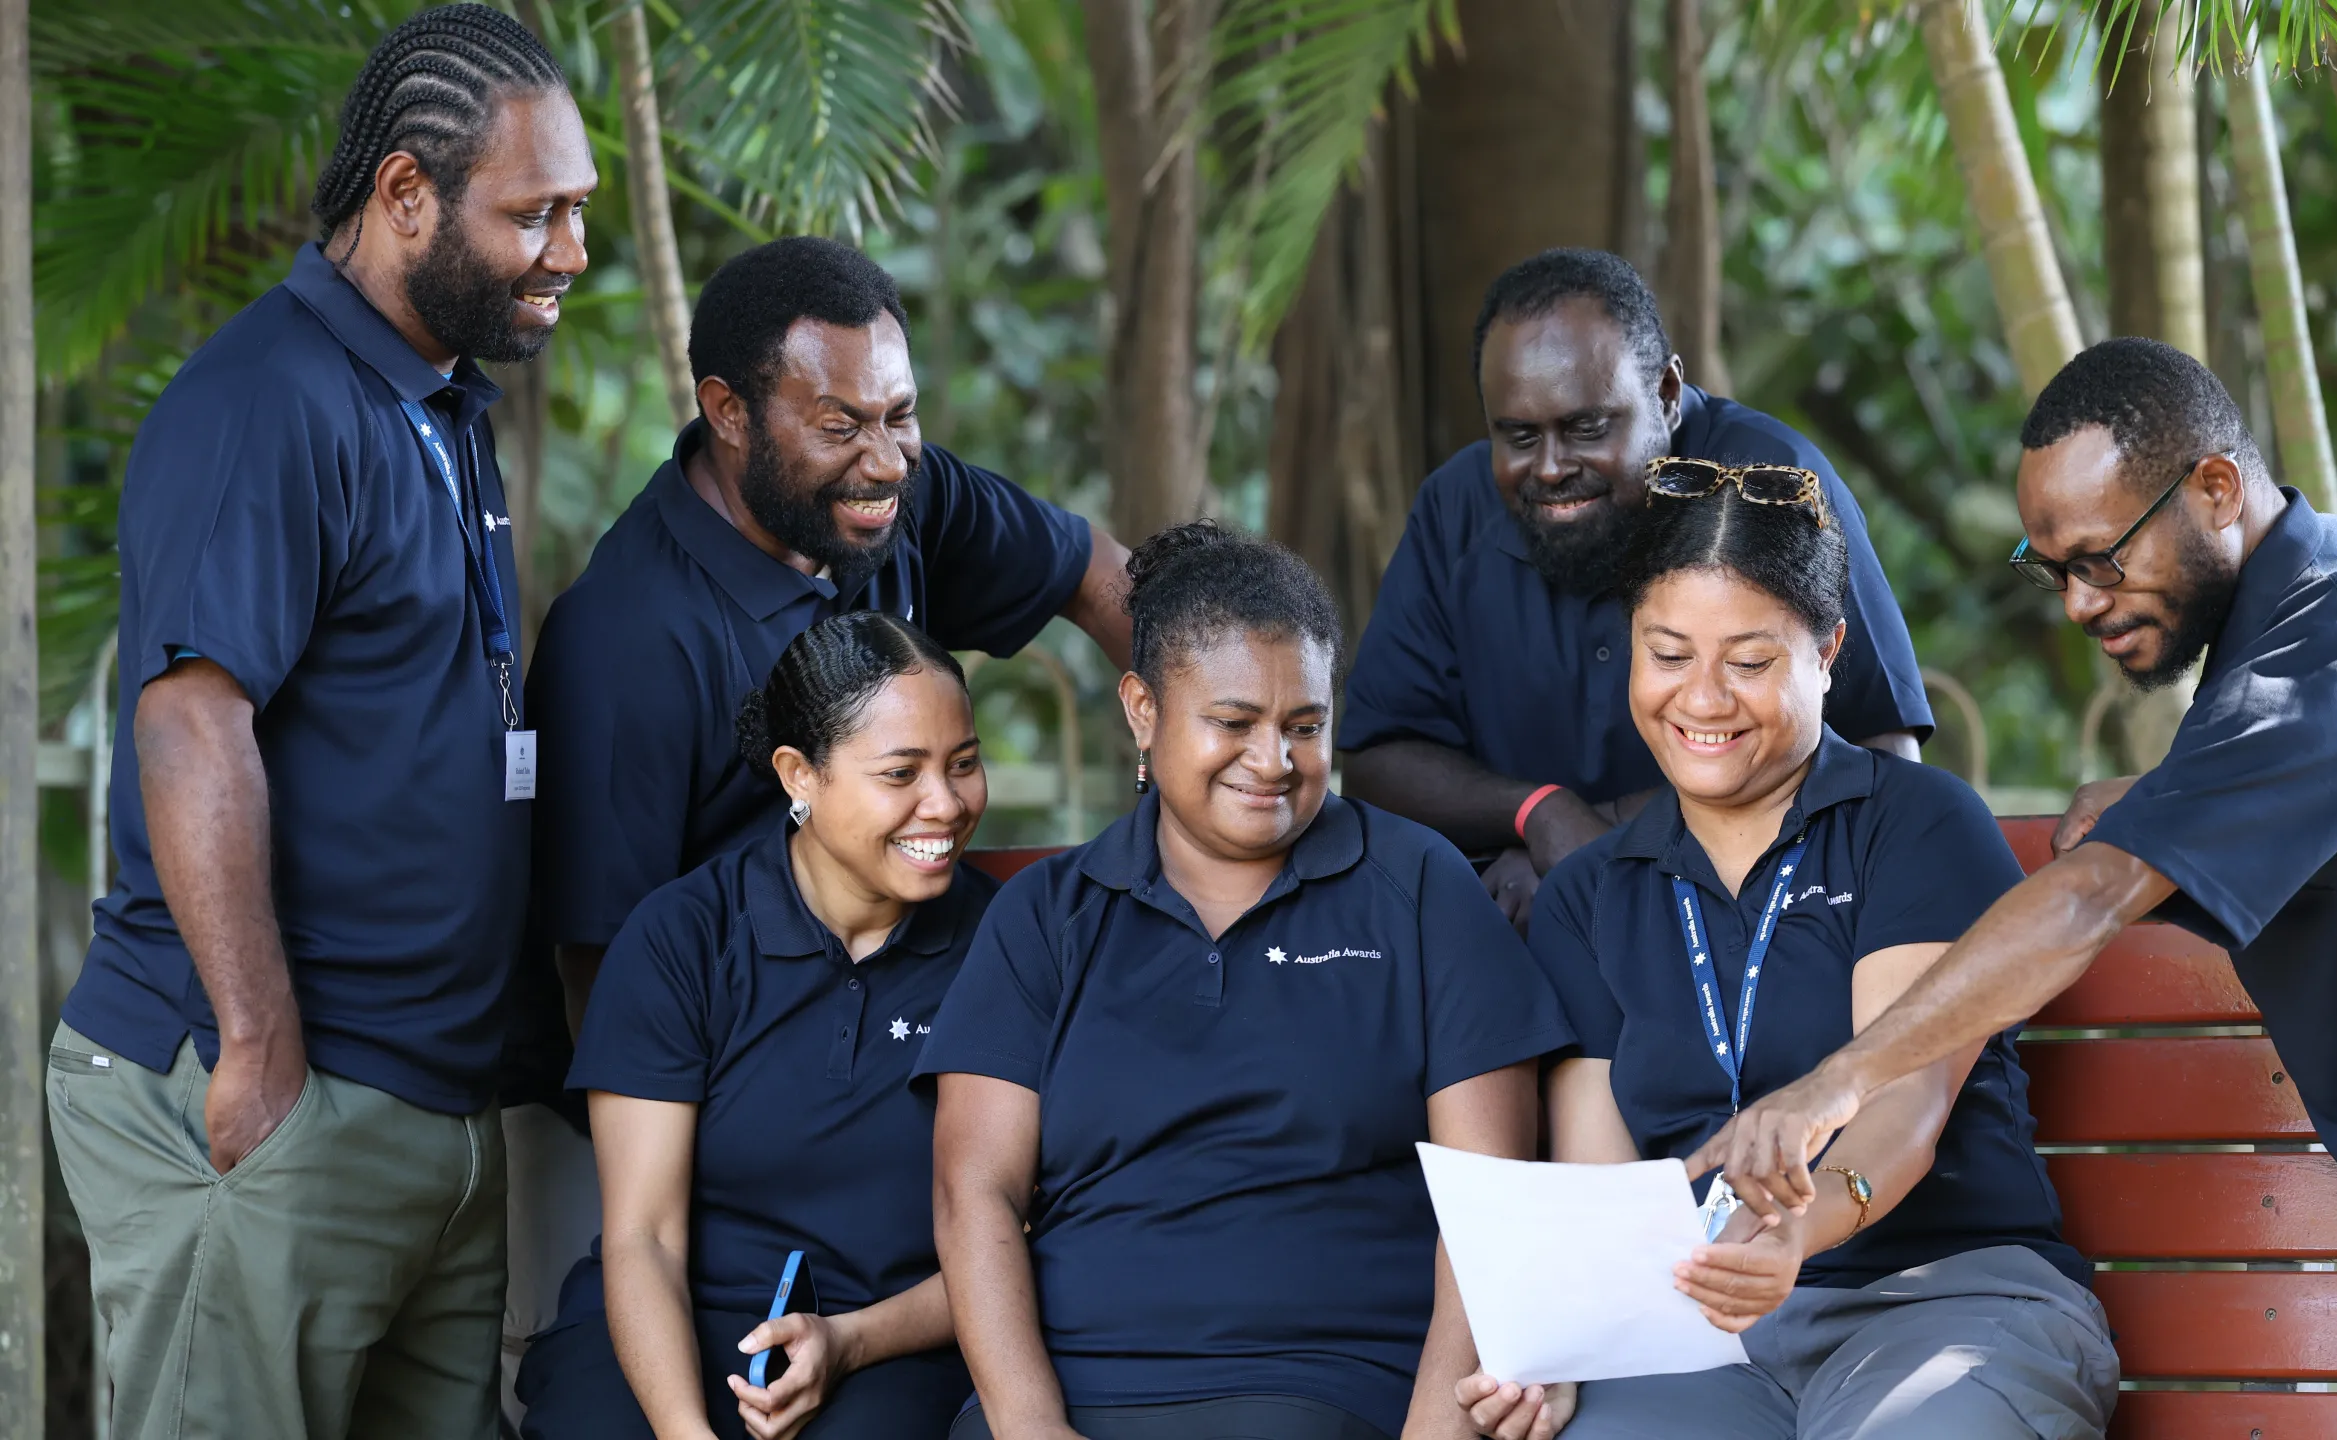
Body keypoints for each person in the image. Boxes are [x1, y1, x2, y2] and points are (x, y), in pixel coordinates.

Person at [1700, 337, 2337, 1439]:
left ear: (2215, 489)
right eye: (2051, 568)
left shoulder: (2323, 649)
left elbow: (2084, 901)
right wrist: (2167, 795)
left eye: (2101, 559)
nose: (2077, 601)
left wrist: (1838, 1082)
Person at [41, 9, 594, 1436]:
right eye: (534, 213)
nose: (571, 251)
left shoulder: (439, 399)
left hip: (432, 1115)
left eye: (579, 209)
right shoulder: (267, 400)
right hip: (277, 1100)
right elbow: (191, 724)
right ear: (405, 193)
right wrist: (259, 1058)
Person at [504, 235, 1136, 1369]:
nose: (885, 460)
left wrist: (1183, 749)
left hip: (912, 1068)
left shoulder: (890, 495)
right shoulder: (625, 644)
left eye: (901, 415)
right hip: (716, 1141)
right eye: (841, 425)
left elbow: (1097, 573)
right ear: (729, 413)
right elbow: (603, 985)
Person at [1455, 465, 2114, 1440]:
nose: (1702, 698)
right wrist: (1569, 1356)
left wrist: (1793, 1236)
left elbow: (1905, 1107)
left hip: (1942, 1299)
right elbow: (1607, 1190)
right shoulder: (1591, 895)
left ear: (1828, 651)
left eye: (1750, 661)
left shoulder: (1916, 825)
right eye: (1667, 653)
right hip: (1699, 1337)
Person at [919, 521, 1573, 1440]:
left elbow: (1488, 1199)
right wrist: (1028, 1426)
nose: (1274, 762)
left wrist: (1435, 1432)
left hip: (1329, 1390)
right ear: (1142, 710)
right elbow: (974, 1193)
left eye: (1305, 726)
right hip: (1076, 1389)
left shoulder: (1420, 885)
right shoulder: (1045, 915)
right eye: (1232, 723)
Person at [1339, 248, 1933, 928]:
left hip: (1758, 925)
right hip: (1527, 936)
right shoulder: (1455, 509)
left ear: (1667, 395)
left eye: (1587, 428)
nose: (1551, 467)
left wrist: (1605, 842)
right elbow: (1378, 766)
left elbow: (1885, 758)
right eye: (1520, 436)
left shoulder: (1776, 483)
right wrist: (1538, 813)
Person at [516, 612, 990, 1440]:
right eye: (901, 773)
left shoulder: (1007, 947)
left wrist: (851, 1341)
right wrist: (683, 1429)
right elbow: (643, 1238)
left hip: (891, 1340)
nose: (944, 804)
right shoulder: (682, 938)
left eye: (964, 764)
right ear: (799, 775)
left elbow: (1017, 1236)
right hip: (669, 1322)